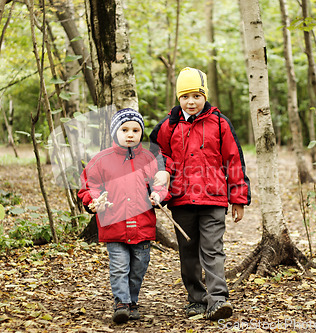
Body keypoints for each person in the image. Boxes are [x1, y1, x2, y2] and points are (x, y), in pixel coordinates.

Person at [149, 67, 251, 320]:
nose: (191, 101)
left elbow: (234, 160)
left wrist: (238, 198)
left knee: (213, 249)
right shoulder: (168, 126)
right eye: (185, 96)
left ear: (204, 96)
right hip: (181, 200)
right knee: (188, 250)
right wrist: (161, 184)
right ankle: (196, 298)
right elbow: (158, 157)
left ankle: (218, 299)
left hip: (213, 198)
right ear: (178, 98)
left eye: (196, 95)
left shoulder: (219, 123)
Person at [78, 108, 168, 324]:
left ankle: (132, 300)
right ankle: (121, 302)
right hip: (114, 225)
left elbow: (160, 184)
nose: (130, 134)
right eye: (124, 129)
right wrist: (93, 200)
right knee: (119, 267)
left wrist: (158, 195)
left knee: (139, 266)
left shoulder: (149, 158)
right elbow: (90, 186)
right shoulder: (101, 160)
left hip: (143, 225)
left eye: (135, 130)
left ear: (141, 133)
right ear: (114, 132)